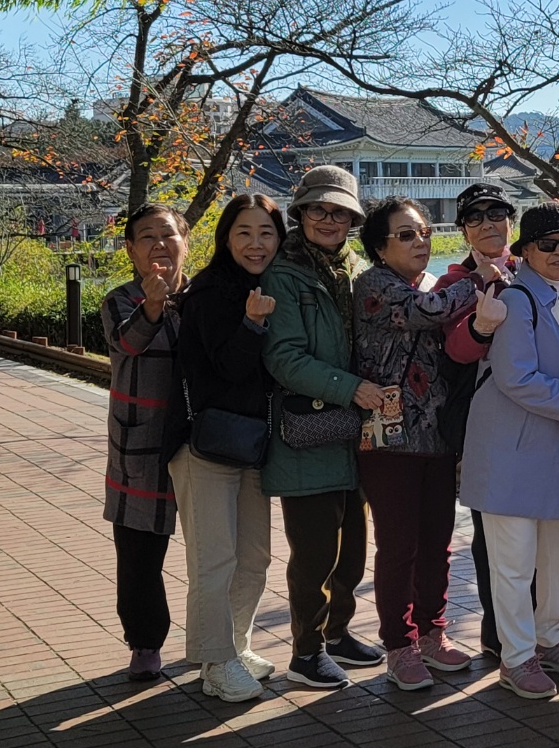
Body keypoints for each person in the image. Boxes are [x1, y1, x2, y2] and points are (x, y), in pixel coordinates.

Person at [459, 201, 559, 700]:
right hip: (511, 453)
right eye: (547, 244)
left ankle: (551, 637)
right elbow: (518, 379)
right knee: (513, 564)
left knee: (558, 555)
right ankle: (516, 657)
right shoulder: (516, 299)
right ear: (526, 250)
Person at [354, 197, 503, 691]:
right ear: (379, 247)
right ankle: (399, 645)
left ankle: (433, 633)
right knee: (399, 546)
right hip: (390, 439)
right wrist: (479, 276)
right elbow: (427, 311)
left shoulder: (429, 282)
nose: (420, 241)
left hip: (436, 435)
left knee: (437, 542)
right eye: (406, 235)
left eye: (424, 232)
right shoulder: (374, 286)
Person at [260, 166, 387, 688]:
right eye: (319, 209)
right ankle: (306, 652)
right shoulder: (284, 274)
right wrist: (350, 387)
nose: (329, 220)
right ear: (301, 212)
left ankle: (337, 634)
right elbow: (283, 358)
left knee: (352, 549)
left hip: (352, 434)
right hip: (308, 433)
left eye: (340, 212)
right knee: (314, 554)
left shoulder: (354, 269)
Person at [173, 194, 285, 702]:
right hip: (205, 445)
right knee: (213, 561)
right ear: (225, 238)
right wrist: (253, 325)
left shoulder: (266, 287)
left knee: (255, 557)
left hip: (252, 444)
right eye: (244, 232)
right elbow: (229, 369)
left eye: (266, 232)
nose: (256, 243)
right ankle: (215, 662)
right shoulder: (208, 292)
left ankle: (235, 646)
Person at [102, 204, 191, 681]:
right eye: (147, 237)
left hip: (200, 442)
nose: (159, 244)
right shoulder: (120, 300)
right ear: (132, 250)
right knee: (138, 554)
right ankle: (144, 642)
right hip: (142, 443)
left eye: (168, 234)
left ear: (185, 242)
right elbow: (127, 343)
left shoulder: (202, 297)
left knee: (213, 548)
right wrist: (153, 307)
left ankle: (215, 641)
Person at [434, 181, 520, 659]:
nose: (488, 224)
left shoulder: (528, 270)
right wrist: (481, 323)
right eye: (476, 218)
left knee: (532, 523)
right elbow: (455, 352)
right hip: (479, 420)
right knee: (491, 531)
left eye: (497, 214)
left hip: (532, 417)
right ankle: (497, 628)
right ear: (463, 230)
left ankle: (531, 624)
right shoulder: (452, 284)